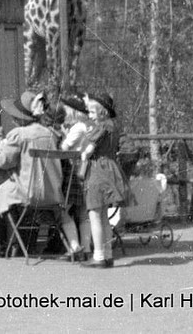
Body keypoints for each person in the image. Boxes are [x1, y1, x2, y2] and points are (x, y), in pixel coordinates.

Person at [0, 91, 66, 257]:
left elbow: (3, 162)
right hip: (53, 193)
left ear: (20, 117)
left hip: (28, 193)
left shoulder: (19, 134)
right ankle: (15, 243)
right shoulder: (49, 133)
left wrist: (2, 147)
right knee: (6, 192)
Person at [79, 92, 131, 269]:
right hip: (111, 168)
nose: (90, 116)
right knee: (104, 217)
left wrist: (83, 152)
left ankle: (99, 256)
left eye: (92, 113)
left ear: (101, 112)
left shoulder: (100, 127)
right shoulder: (113, 126)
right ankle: (108, 255)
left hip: (97, 170)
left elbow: (87, 151)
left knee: (94, 214)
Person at [60, 93, 93, 259]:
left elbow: (63, 148)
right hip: (86, 169)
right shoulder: (89, 125)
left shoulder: (78, 128)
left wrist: (63, 134)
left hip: (74, 170)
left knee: (64, 210)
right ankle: (86, 248)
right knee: (83, 212)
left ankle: (75, 246)